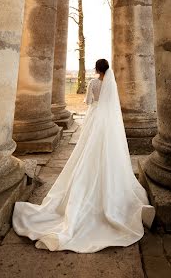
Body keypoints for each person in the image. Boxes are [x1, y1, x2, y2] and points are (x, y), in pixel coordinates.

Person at [12, 59, 154, 252]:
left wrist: (93, 101)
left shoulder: (94, 83)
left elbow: (88, 102)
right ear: (108, 69)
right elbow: (113, 105)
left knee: (87, 148)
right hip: (108, 123)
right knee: (109, 151)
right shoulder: (111, 84)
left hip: (95, 118)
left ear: (97, 69)